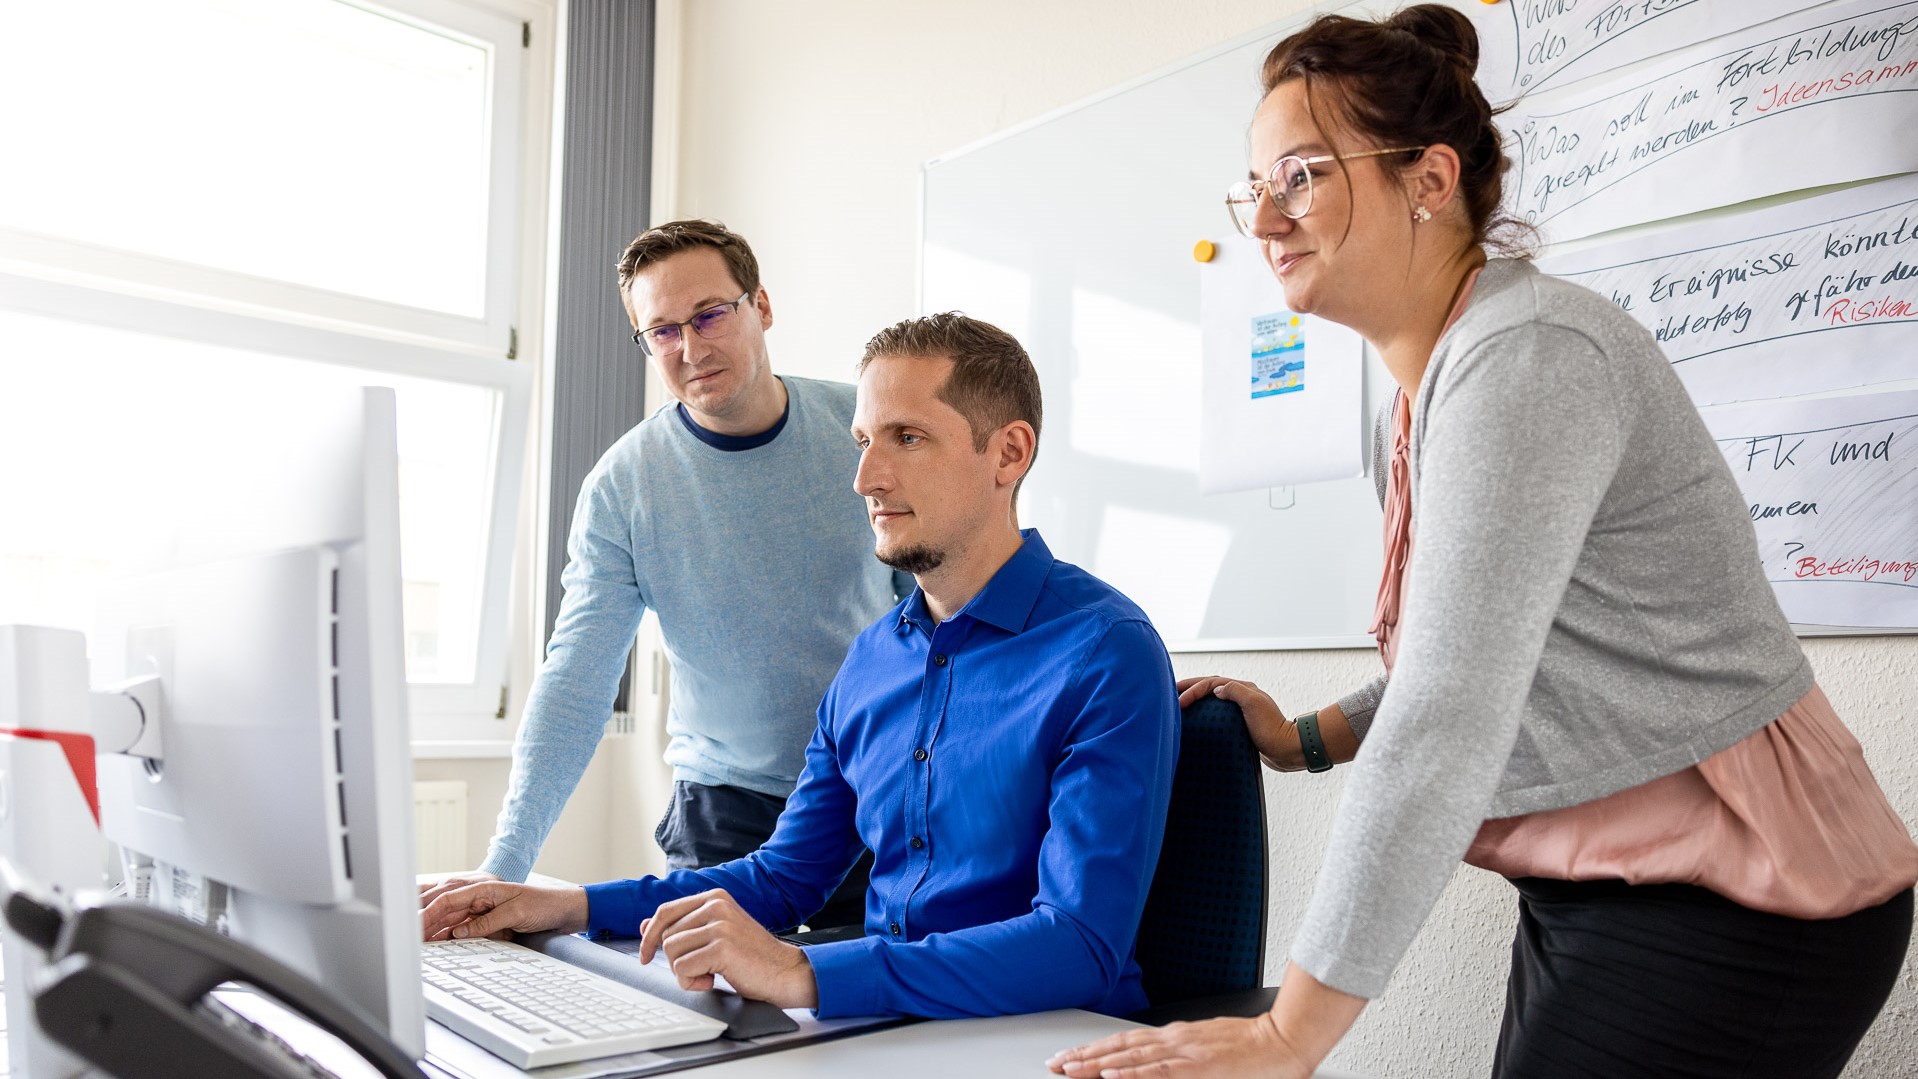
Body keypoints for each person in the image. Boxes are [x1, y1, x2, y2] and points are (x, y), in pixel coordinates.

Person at [1052, 8, 1918, 1078]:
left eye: (1302, 176)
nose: (1266, 219)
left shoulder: (1525, 357)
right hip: (1613, 881)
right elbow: (1492, 642)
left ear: (1428, 179)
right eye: (1253, 189)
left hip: (1749, 889)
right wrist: (1310, 733)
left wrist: (1291, 1031)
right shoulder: (1428, 387)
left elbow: (1449, 708)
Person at [421, 313, 1181, 1019]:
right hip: (886, 1032)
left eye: (907, 438)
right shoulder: (874, 660)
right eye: (863, 441)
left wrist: (808, 975)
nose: (867, 479)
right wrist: (567, 905)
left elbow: (1079, 946)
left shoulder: (1105, 650)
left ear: (1009, 452)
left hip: (1040, 1041)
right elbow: (783, 877)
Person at [420, 220, 906, 928]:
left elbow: (925, 616)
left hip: (875, 792)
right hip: (723, 808)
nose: (691, 347)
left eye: (710, 314)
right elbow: (577, 679)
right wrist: (505, 865)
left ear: (761, 306)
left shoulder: (860, 433)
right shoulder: (624, 485)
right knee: (716, 1028)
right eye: (663, 331)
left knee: (871, 1016)